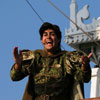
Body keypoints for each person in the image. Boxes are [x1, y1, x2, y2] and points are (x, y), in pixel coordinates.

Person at [10, 22, 92, 100]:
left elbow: (84, 78)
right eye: (45, 35)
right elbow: (14, 77)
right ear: (42, 40)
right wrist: (18, 64)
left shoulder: (67, 58)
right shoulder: (35, 57)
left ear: (58, 39)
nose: (48, 37)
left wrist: (85, 66)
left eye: (52, 34)